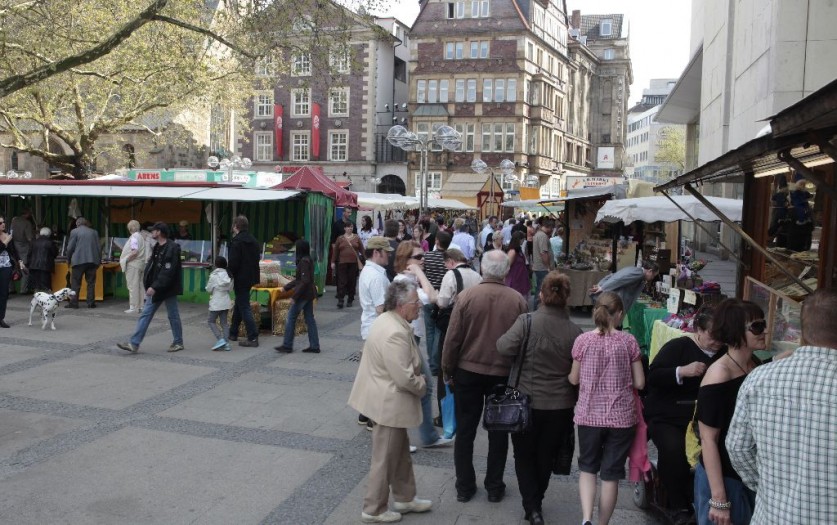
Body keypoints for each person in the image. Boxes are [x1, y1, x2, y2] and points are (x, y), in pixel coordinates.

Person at [727, 289, 837, 525]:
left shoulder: (759, 378)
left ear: (803, 330)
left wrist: (771, 488)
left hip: (772, 516)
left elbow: (737, 448)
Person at [442, 249, 528, 504]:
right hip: (502, 373)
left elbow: (452, 339)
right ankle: (494, 486)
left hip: (467, 371)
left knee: (465, 430)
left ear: (482, 269)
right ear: (506, 272)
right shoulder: (517, 300)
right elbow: (522, 343)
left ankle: (465, 485)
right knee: (499, 433)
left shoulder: (467, 296)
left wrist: (447, 370)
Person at [496, 272, 581, 525]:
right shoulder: (575, 331)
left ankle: (532, 506)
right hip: (560, 404)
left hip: (525, 400)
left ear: (541, 295)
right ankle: (536, 502)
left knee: (523, 454)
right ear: (566, 298)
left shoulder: (527, 322)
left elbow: (503, 346)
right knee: (546, 454)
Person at [348, 280, 434, 523]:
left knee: (399, 452)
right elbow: (404, 377)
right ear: (401, 305)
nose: (419, 306)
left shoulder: (387, 320)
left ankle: (406, 497)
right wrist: (423, 385)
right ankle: (373, 509)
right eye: (415, 302)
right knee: (385, 458)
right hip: (388, 403)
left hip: (383, 399)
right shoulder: (395, 331)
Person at [569, 292, 645, 525]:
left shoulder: (582, 341)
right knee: (611, 475)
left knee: (587, 468)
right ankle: (602, 523)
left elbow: (574, 378)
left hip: (589, 415)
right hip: (621, 418)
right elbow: (640, 382)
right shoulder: (628, 342)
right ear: (619, 314)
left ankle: (586, 519)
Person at [643, 308, 722, 524]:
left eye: (722, 336)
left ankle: (706, 497)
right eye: (712, 335)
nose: (717, 341)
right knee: (674, 449)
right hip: (669, 415)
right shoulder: (678, 346)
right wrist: (681, 371)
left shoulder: (725, 353)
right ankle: (677, 505)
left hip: (706, 418)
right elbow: (653, 376)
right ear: (699, 330)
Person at [694, 299, 765, 525]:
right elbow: (708, 439)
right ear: (736, 332)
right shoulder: (719, 374)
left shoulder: (753, 364)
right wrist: (719, 499)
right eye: (757, 327)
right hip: (723, 479)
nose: (765, 331)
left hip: (746, 476)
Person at [392, 241, 453, 449]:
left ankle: (427, 436)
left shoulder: (408, 280)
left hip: (410, 338)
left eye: (422, 255)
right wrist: (419, 272)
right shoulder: (404, 282)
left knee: (421, 387)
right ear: (406, 260)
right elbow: (434, 297)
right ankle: (409, 438)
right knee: (411, 388)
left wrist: (417, 272)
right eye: (418, 257)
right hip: (404, 339)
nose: (423, 259)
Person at [117, 222, 184, 353]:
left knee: (173, 315)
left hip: (168, 288)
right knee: (146, 314)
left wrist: (154, 286)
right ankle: (134, 343)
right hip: (157, 287)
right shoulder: (157, 246)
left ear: (159, 232)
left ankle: (178, 342)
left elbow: (167, 271)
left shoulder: (172, 247)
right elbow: (153, 267)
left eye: (153, 230)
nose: (151, 232)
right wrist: (150, 283)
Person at [356, 236, 394, 429]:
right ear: (377, 253)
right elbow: (381, 308)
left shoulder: (370, 271)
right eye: (386, 252)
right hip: (377, 329)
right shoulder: (376, 276)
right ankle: (373, 418)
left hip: (371, 327)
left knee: (371, 373)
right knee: (379, 376)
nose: (389, 256)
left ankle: (364, 414)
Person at [275, 239, 320, 354]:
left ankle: (287, 345)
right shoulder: (308, 259)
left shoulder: (303, 262)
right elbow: (300, 280)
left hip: (303, 295)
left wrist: (294, 297)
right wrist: (286, 287)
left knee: (291, 317)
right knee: (310, 319)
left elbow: (304, 281)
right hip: (309, 293)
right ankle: (314, 345)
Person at [421, 230, 452, 397]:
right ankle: (435, 363)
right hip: (443, 298)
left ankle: (432, 363)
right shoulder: (449, 258)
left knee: (430, 330)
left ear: (437, 241)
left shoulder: (427, 256)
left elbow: (423, 275)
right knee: (439, 331)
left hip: (428, 296)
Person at [227, 215, 260, 347]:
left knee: (244, 306)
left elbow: (233, 262)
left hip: (240, 278)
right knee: (240, 303)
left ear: (236, 226)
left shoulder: (236, 242)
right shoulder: (253, 240)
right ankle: (233, 332)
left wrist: (229, 274)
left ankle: (253, 337)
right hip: (251, 277)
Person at [589, 260, 659, 316]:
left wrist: (600, 285)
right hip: (616, 302)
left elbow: (612, 276)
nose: (652, 278)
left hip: (612, 300)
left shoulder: (633, 269)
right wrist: (602, 288)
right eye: (653, 275)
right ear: (650, 271)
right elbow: (619, 279)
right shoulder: (639, 273)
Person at [65, 217, 101, 309]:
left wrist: (68, 259)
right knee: (91, 283)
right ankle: (91, 303)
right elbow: (98, 247)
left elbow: (70, 248)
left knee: (75, 283)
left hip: (78, 261)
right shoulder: (94, 232)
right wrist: (99, 260)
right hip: (92, 261)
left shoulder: (74, 232)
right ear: (86, 223)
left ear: (77, 224)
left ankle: (74, 303)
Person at [331, 221, 363, 309]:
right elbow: (336, 251)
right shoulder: (340, 238)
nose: (350, 228)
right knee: (342, 281)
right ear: (344, 228)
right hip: (342, 263)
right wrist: (333, 262)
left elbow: (362, 249)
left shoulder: (356, 237)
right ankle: (340, 300)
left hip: (353, 263)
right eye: (348, 227)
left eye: (351, 227)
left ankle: (350, 299)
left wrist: (367, 260)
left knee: (352, 281)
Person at [120, 220, 148, 314]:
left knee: (133, 286)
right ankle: (141, 306)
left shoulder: (134, 237)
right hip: (140, 264)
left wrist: (126, 260)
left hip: (133, 265)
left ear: (130, 228)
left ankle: (133, 307)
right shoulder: (140, 236)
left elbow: (134, 252)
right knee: (140, 286)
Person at [205, 255, 232, 351]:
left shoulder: (214, 275)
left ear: (216, 265)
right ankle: (226, 343)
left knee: (211, 321)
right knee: (224, 323)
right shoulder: (229, 275)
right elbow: (230, 289)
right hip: (226, 301)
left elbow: (208, 289)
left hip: (216, 301)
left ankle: (220, 339)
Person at [0, 215, 21, 327]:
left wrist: (20, 260)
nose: (3, 224)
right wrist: (5, 242)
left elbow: (14, 251)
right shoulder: (7, 238)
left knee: (4, 294)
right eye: (0, 223)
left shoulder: (7, 235)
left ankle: (1, 318)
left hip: (6, 267)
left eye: (3, 222)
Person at [530, 218, 554, 310]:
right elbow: (543, 253)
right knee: (541, 289)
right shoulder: (543, 236)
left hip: (539, 267)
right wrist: (548, 267)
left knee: (539, 289)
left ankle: (537, 309)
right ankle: (537, 309)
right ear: (549, 227)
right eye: (552, 228)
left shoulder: (538, 234)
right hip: (542, 268)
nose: (552, 230)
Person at [10, 207, 35, 293]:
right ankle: (23, 289)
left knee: (13, 266)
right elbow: (29, 238)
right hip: (23, 247)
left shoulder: (14, 220)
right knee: (24, 267)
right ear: (27, 214)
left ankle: (11, 288)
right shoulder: (27, 223)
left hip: (13, 245)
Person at [27, 227, 58, 293]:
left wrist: (28, 264)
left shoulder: (34, 242)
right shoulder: (50, 242)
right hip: (45, 266)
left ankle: (37, 297)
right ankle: (45, 298)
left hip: (34, 266)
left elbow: (29, 254)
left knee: (36, 286)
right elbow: (55, 253)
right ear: (49, 234)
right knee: (45, 286)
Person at [504, 231, 529, 298]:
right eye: (523, 239)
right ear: (519, 239)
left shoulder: (518, 250)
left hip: (521, 279)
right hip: (515, 280)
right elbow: (506, 266)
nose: (524, 240)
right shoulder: (512, 251)